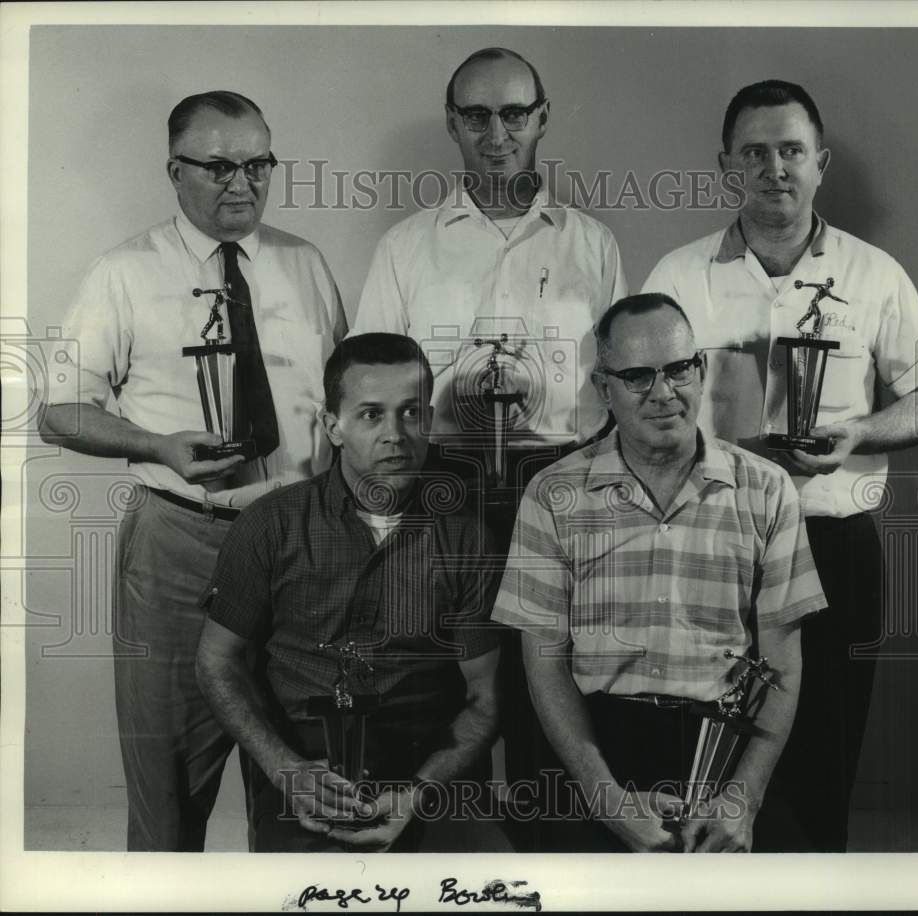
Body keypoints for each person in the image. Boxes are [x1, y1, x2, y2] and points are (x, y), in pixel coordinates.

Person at [641, 79, 918, 851]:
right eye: (754, 152)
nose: (773, 167)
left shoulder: (874, 274)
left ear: (821, 163)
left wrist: (859, 436)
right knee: (698, 763)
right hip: (708, 549)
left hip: (831, 549)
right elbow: (632, 404)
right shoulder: (678, 278)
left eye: (790, 151)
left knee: (820, 767)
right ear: (726, 167)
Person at [38, 90, 347, 851]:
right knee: (171, 785)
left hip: (294, 544)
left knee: (301, 776)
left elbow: (341, 402)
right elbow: (58, 411)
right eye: (218, 167)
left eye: (257, 164)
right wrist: (156, 445)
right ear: (174, 172)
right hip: (182, 545)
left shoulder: (305, 264)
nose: (241, 183)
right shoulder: (123, 273)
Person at [352, 48, 628, 842]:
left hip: (560, 480)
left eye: (514, 113)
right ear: (452, 123)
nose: (497, 132)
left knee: (557, 673)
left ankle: (554, 855)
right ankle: (457, 859)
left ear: (542, 117)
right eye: (477, 115)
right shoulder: (408, 247)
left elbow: (616, 382)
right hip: (445, 480)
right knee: (452, 678)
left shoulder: (591, 244)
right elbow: (373, 382)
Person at [492, 293, 827, 852]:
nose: (664, 393)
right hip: (597, 753)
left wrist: (741, 803)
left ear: (699, 370)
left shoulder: (768, 490)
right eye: (638, 377)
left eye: (679, 369)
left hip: (726, 748)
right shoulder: (552, 494)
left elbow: (782, 666)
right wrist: (610, 802)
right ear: (604, 388)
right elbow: (544, 668)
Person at [195, 333, 501, 852]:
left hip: (428, 765)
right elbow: (216, 662)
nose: (395, 435)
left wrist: (419, 792)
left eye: (410, 413)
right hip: (302, 764)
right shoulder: (270, 524)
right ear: (331, 425)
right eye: (370, 415)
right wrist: (282, 767)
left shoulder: (468, 536)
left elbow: (485, 697)